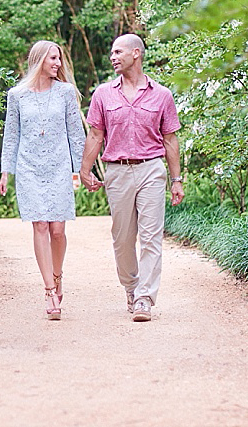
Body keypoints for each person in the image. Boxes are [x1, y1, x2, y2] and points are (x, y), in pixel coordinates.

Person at [80, 33, 184, 322]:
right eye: (112, 53)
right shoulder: (103, 94)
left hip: (151, 168)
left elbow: (170, 139)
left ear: (136, 53)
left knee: (151, 237)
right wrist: (85, 170)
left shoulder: (162, 94)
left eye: (118, 52)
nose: (113, 57)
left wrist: (176, 180)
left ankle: (144, 298)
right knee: (123, 237)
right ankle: (131, 286)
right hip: (117, 171)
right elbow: (95, 134)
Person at [0, 41, 86, 320]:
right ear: (39, 60)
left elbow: (76, 134)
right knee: (40, 225)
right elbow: (11, 134)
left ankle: (57, 276)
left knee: (58, 230)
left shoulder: (65, 93)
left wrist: (82, 169)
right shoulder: (17, 95)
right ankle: (49, 290)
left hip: (59, 166)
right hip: (29, 168)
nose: (58, 63)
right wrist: (5, 171)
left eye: (59, 58)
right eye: (53, 58)